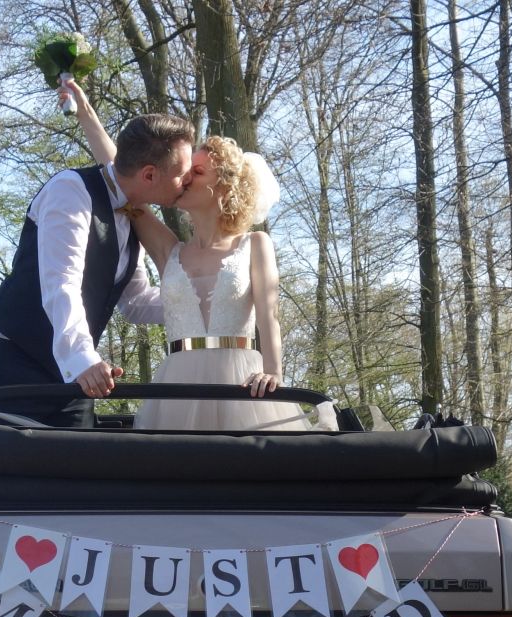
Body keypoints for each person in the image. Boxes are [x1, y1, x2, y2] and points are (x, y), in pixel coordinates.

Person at [62, 79, 322, 432]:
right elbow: (122, 170)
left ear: (225, 187)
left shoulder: (255, 244)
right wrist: (85, 112)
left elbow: (269, 315)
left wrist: (273, 372)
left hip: (242, 383)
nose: (183, 178)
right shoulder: (169, 250)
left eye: (197, 172)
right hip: (177, 386)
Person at [0, 103, 200, 427]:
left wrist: (200, 303)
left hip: (70, 379)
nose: (188, 181)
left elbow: (135, 302)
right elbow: (62, 282)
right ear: (149, 174)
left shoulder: (132, 215)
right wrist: (82, 359)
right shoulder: (71, 190)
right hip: (12, 365)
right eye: (182, 173)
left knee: (84, 457)